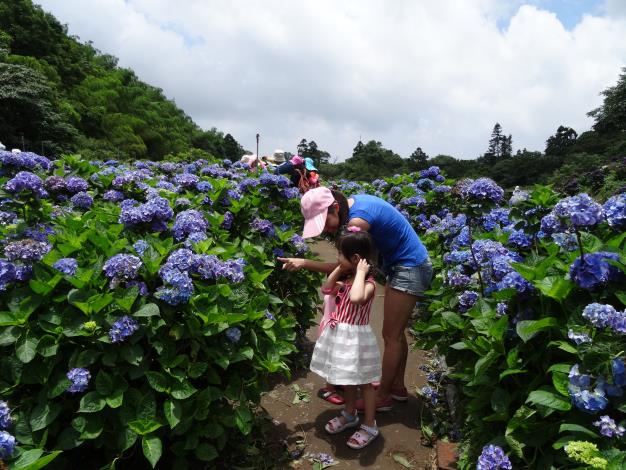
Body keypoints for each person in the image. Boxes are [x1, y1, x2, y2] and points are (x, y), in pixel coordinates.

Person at [278, 187, 432, 412]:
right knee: (395, 333)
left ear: (336, 208)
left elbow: (347, 266)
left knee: (391, 335)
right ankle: (396, 386)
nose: (326, 229)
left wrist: (304, 262)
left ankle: (383, 397)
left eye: (325, 221)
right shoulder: (354, 205)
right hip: (401, 265)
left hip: (410, 267)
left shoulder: (358, 222)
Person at [310, 227, 381, 449]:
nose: (337, 258)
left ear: (356, 259)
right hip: (341, 338)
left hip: (357, 340)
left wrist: (360, 273)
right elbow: (327, 288)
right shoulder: (347, 281)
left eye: (340, 254)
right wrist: (340, 268)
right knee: (347, 378)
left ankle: (370, 425)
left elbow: (357, 298)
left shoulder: (367, 284)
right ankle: (350, 414)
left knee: (365, 384)